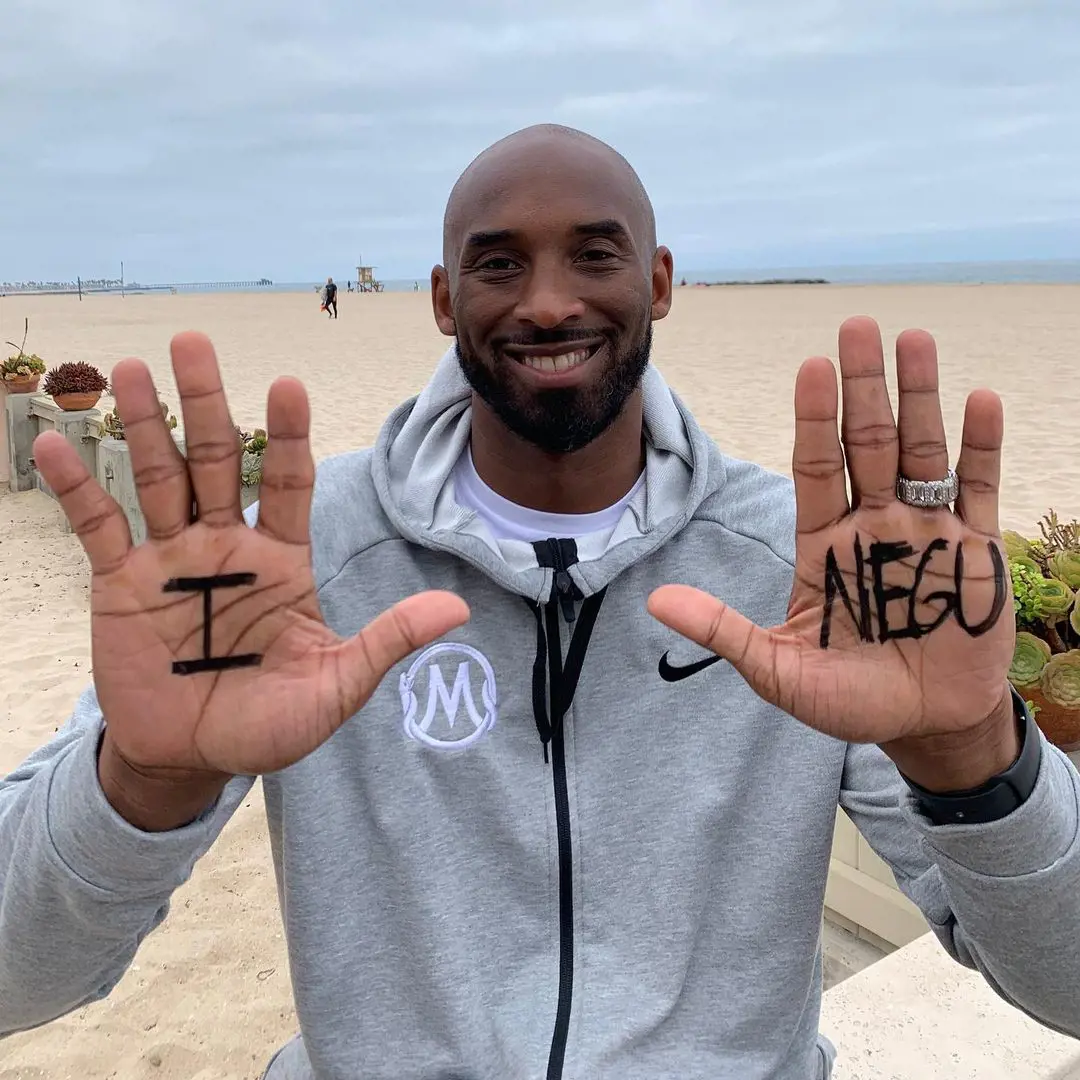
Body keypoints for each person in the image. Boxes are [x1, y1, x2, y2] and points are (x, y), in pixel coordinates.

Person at [2, 125, 1078, 1080]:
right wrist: (142, 783)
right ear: (441, 298)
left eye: (594, 254)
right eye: (499, 263)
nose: (551, 299)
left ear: (659, 280)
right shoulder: (295, 555)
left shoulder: (804, 567)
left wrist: (977, 755)